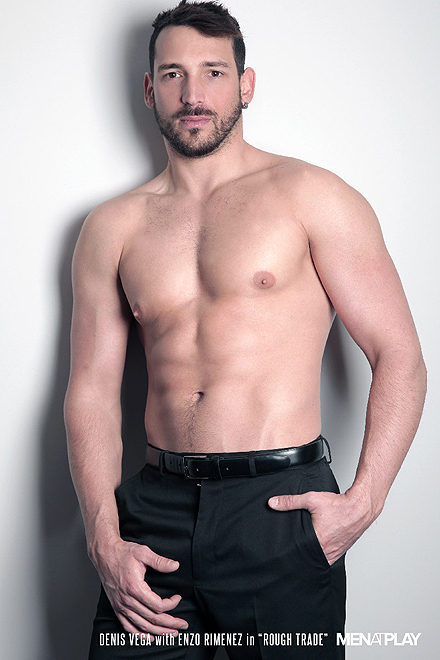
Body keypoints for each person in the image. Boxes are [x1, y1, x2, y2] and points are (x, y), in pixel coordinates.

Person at [64, 1, 427, 658]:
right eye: (173, 74)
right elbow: (90, 389)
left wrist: (365, 501)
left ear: (246, 84)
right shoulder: (112, 227)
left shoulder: (311, 196)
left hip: (279, 512)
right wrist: (102, 535)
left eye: (213, 72)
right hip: (154, 515)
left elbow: (398, 352)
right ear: (149, 89)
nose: (193, 94)